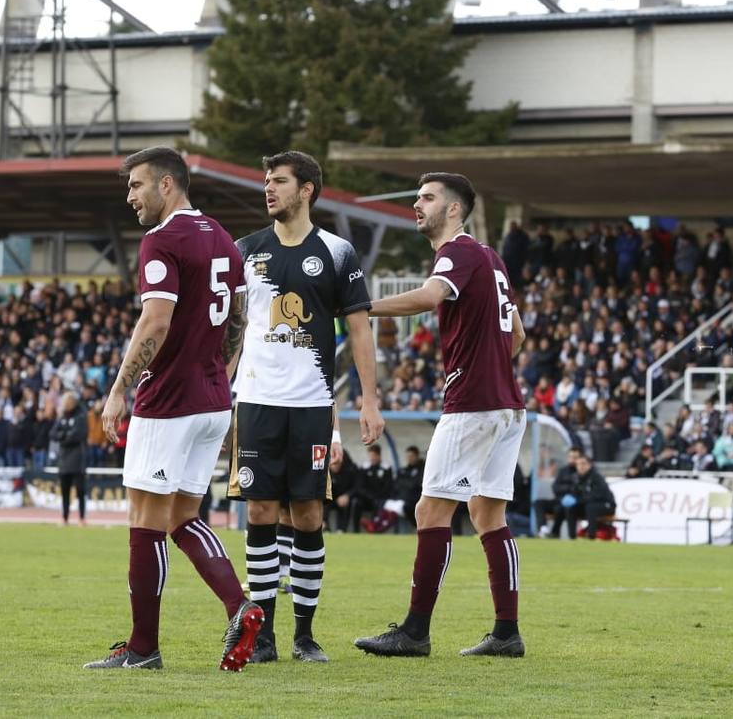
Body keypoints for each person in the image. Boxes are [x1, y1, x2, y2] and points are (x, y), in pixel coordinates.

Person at [84, 147, 263, 672]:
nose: (130, 196)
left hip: (169, 402)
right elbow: (240, 319)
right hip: (211, 400)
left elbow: (156, 322)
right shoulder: (223, 239)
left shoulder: (162, 241)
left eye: (137, 185)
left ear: (167, 184)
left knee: (144, 519)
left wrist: (119, 390)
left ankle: (143, 648)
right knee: (184, 516)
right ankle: (240, 605)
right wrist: (221, 377)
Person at [355, 172, 528, 659]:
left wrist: (362, 306)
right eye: (417, 197)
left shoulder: (458, 252)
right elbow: (517, 335)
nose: (417, 204)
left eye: (427, 198)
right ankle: (506, 632)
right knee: (488, 514)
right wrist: (490, 364)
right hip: (508, 405)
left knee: (431, 511)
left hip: (473, 404)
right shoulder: (491, 259)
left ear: (454, 209)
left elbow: (431, 297)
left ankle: (414, 631)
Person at [226, 150, 384, 664]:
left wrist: (369, 401)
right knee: (260, 510)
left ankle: (305, 635)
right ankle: (264, 635)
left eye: (279, 181)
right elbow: (232, 331)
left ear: (307, 189)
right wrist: (216, 387)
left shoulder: (338, 253)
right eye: (266, 181)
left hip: (312, 403)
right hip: (255, 401)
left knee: (310, 514)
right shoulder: (245, 250)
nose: (268, 189)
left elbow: (359, 329)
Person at [52, 390, 89, 526]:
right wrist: (66, 435)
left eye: (66, 401)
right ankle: (65, 517)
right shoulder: (62, 418)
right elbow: (53, 434)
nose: (64, 404)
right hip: (64, 460)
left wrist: (64, 437)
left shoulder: (80, 416)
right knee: (65, 491)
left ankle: (82, 518)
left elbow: (78, 435)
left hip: (77, 459)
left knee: (80, 491)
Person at [566, 453, 617, 540]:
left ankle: (591, 536)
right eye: (578, 464)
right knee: (571, 507)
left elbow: (596, 496)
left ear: (589, 465)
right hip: (586, 505)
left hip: (606, 505)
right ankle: (572, 537)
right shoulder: (576, 478)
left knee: (591, 507)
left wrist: (578, 500)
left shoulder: (597, 477)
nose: (580, 466)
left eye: (583, 464)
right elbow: (575, 493)